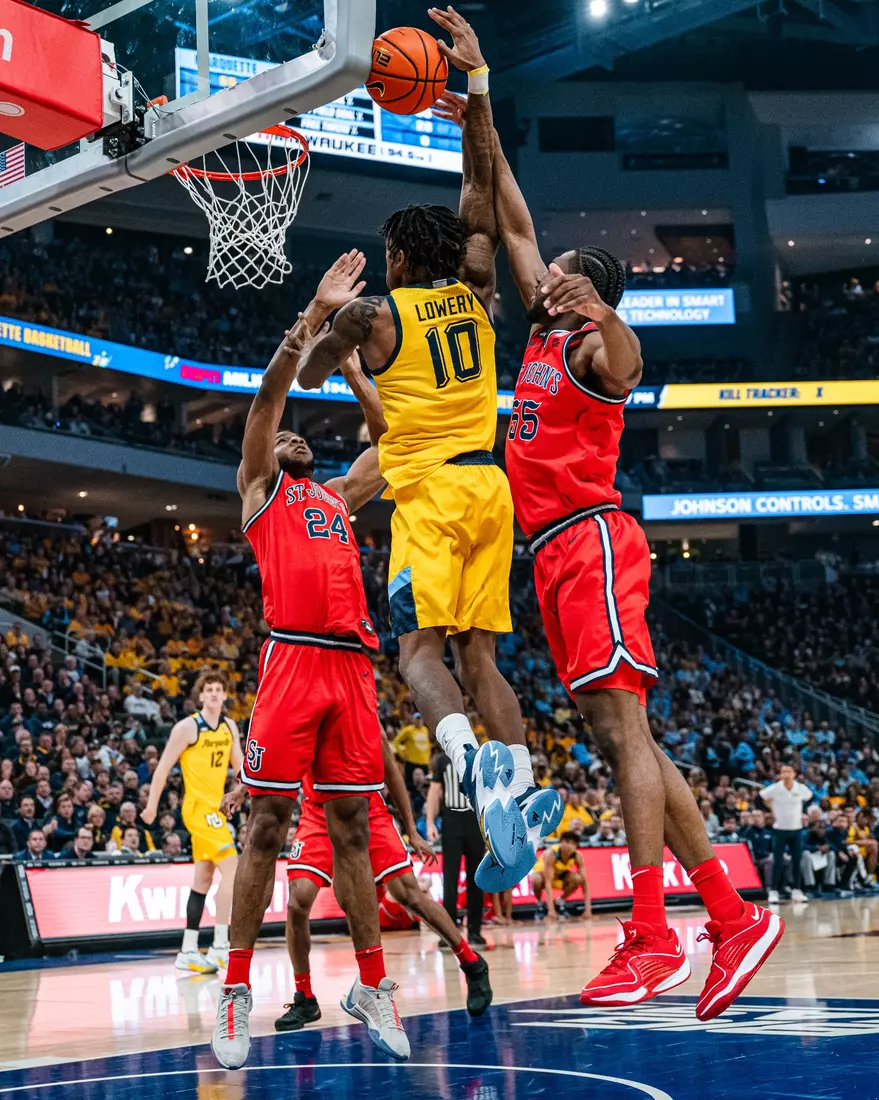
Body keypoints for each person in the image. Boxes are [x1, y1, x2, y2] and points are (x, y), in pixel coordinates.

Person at [431, 86, 782, 1019]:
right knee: (626, 738)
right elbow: (511, 215)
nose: (541, 273)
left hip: (591, 541)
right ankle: (730, 916)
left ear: (583, 292)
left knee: (623, 733)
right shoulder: (544, 331)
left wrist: (605, 312)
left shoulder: (591, 348)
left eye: (561, 275)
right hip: (551, 554)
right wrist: (478, 104)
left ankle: (652, 932)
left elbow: (630, 365)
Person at [295, 7, 562, 890]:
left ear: (401, 256)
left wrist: (327, 316)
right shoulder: (478, 288)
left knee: (418, 656)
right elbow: (480, 192)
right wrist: (476, 91)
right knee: (482, 657)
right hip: (491, 491)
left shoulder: (377, 315)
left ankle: (467, 758)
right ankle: (521, 785)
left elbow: (306, 370)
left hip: (432, 500)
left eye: (386, 253)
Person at [211, 253, 406, 1071]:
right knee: (264, 826)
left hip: (351, 669)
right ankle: (233, 988)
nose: (291, 434)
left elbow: (394, 446)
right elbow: (267, 399)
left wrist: (356, 370)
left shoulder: (335, 498)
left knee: (353, 827)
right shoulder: (262, 490)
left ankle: (371, 983)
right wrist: (314, 319)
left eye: (301, 436)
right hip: (292, 661)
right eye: (283, 435)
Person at [240, 732, 492, 1033]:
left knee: (409, 895)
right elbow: (273, 756)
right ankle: (304, 996)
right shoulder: (300, 717)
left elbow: (392, 774)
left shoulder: (363, 717)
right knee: (297, 901)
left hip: (366, 810)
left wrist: (411, 829)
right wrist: (242, 789)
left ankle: (471, 962)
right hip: (317, 814)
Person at [142, 670, 244, 975]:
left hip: (218, 810)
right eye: (208, 689)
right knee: (234, 870)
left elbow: (240, 768)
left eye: (218, 689)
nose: (213, 693)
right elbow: (162, 768)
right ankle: (221, 944)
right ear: (200, 696)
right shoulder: (187, 727)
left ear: (225, 695)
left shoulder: (229, 726)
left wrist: (249, 792)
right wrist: (151, 807)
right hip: (198, 809)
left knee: (203, 879)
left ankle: (188, 950)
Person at [427, 748, 486, 946]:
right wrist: (430, 822)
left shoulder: (479, 757)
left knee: (476, 879)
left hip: (474, 819)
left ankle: (475, 931)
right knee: (450, 878)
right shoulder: (443, 760)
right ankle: (450, 933)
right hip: (451, 819)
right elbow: (435, 791)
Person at [760, 765, 813, 904]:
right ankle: (773, 891)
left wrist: (801, 811)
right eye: (784, 772)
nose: (787, 774)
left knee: (797, 860)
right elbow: (762, 796)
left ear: (794, 774)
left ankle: (797, 890)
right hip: (780, 830)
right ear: (780, 775)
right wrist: (770, 808)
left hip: (796, 829)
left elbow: (809, 796)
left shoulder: (800, 788)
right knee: (777, 861)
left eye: (789, 771)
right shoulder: (775, 788)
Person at [531, 831, 589, 921]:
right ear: (562, 841)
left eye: (573, 844)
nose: (570, 846)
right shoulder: (551, 854)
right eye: (568, 843)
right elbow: (548, 883)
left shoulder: (577, 856)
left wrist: (588, 910)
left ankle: (560, 902)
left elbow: (584, 883)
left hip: (558, 877)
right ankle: (540, 904)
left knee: (578, 879)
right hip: (543, 877)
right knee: (535, 878)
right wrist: (551, 911)